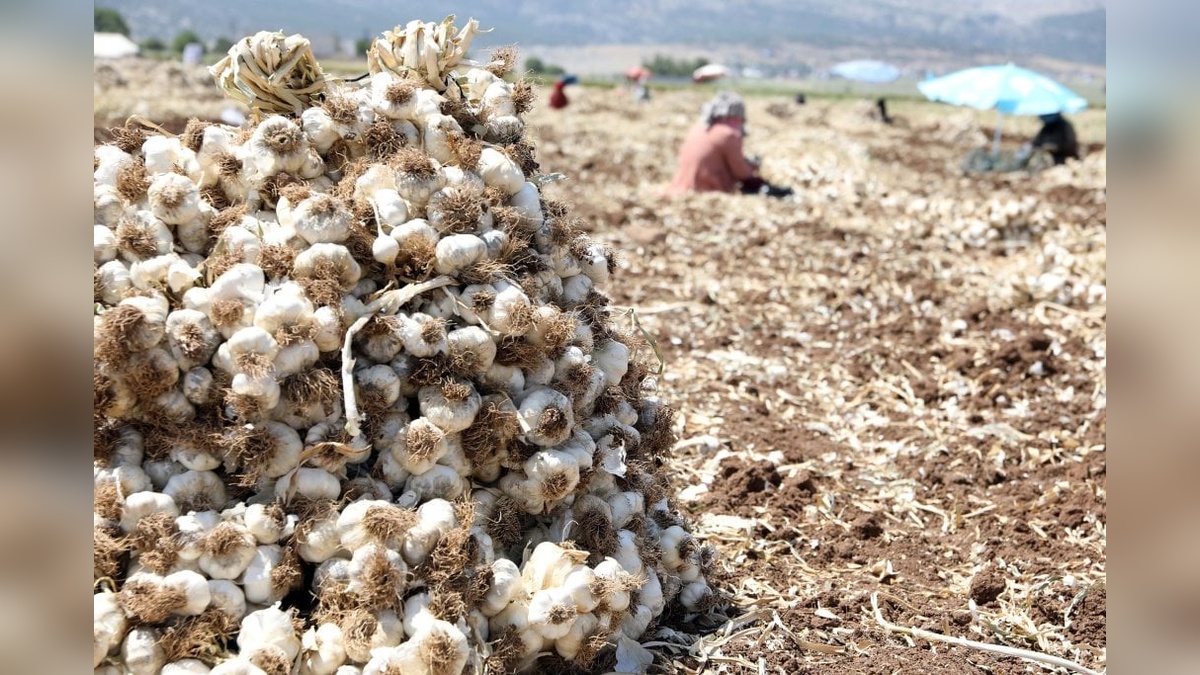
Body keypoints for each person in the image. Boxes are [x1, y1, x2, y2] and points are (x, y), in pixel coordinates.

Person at [664, 91, 793, 198]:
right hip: (706, 190)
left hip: (681, 186)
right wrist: (752, 167)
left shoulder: (698, 127)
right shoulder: (728, 134)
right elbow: (741, 172)